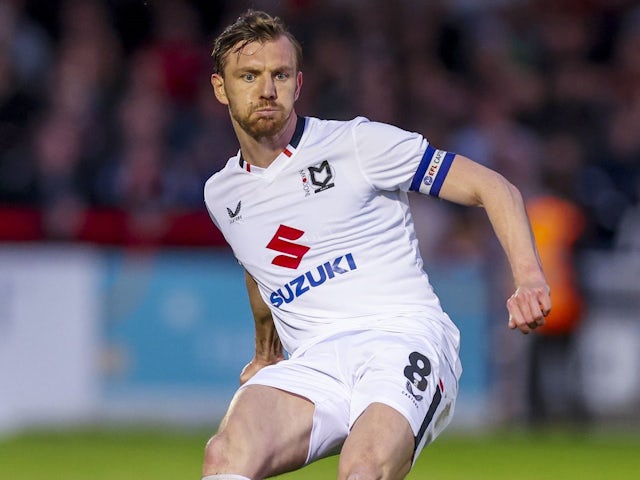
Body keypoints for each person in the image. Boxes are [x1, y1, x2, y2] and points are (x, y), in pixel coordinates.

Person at [202, 10, 551, 480]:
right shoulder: (221, 194)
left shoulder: (359, 144)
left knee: (363, 470)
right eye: (250, 75)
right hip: (314, 363)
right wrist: (266, 352)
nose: (267, 89)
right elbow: (259, 266)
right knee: (224, 455)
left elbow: (494, 188)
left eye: (279, 74)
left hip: (402, 338)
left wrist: (528, 278)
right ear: (221, 88)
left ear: (299, 83)